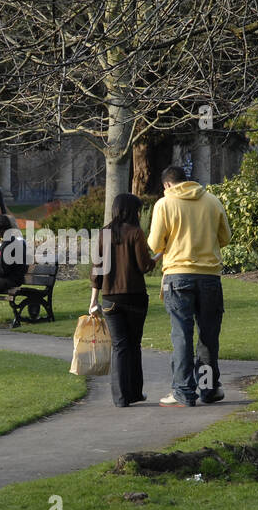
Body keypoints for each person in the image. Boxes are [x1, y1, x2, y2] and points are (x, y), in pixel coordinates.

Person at [147, 165, 231, 407]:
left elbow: (155, 243)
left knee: (181, 335)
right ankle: (208, 389)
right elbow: (225, 238)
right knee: (208, 336)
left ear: (167, 185)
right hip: (209, 277)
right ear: (188, 181)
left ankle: (183, 391)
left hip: (178, 276)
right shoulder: (212, 201)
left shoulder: (165, 204)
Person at [89, 193, 157, 407]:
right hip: (135, 296)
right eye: (138, 209)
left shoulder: (103, 234)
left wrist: (93, 301)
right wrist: (159, 255)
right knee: (134, 345)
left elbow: (97, 271)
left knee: (119, 346)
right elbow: (144, 266)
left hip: (110, 298)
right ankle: (135, 392)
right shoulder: (136, 233)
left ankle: (120, 397)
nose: (139, 213)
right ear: (130, 210)